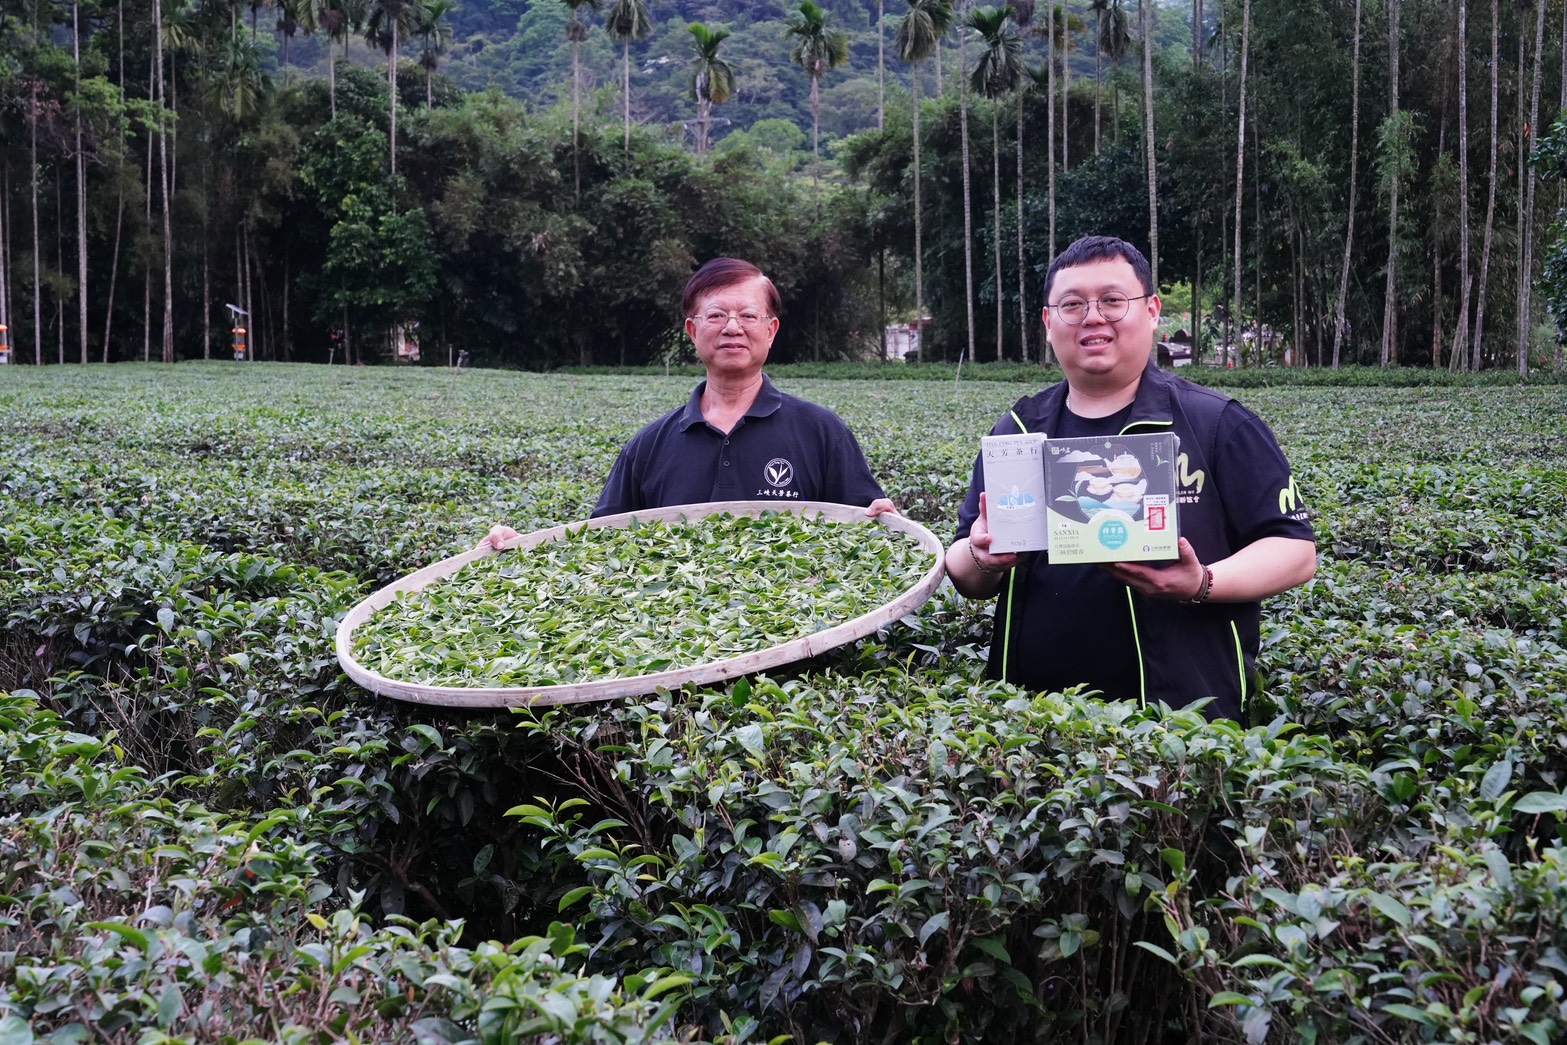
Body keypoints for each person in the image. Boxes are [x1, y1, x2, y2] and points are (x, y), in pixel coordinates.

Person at [944, 236, 1315, 721]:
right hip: (1030, 728)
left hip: (1183, 726)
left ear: (1152, 310)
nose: (1092, 317)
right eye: (1072, 304)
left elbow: (1294, 550)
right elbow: (964, 567)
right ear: (1049, 321)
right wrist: (982, 556)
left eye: (1113, 300)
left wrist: (1200, 582)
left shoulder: (1216, 423)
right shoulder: (1018, 430)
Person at [486, 258, 893, 548]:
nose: (732, 328)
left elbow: (866, 535)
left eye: (748, 317)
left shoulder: (820, 431)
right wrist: (527, 549)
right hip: (676, 646)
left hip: (798, 647)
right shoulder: (649, 446)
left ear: (771, 331)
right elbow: (597, 548)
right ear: (692, 331)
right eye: (716, 316)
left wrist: (887, 521)